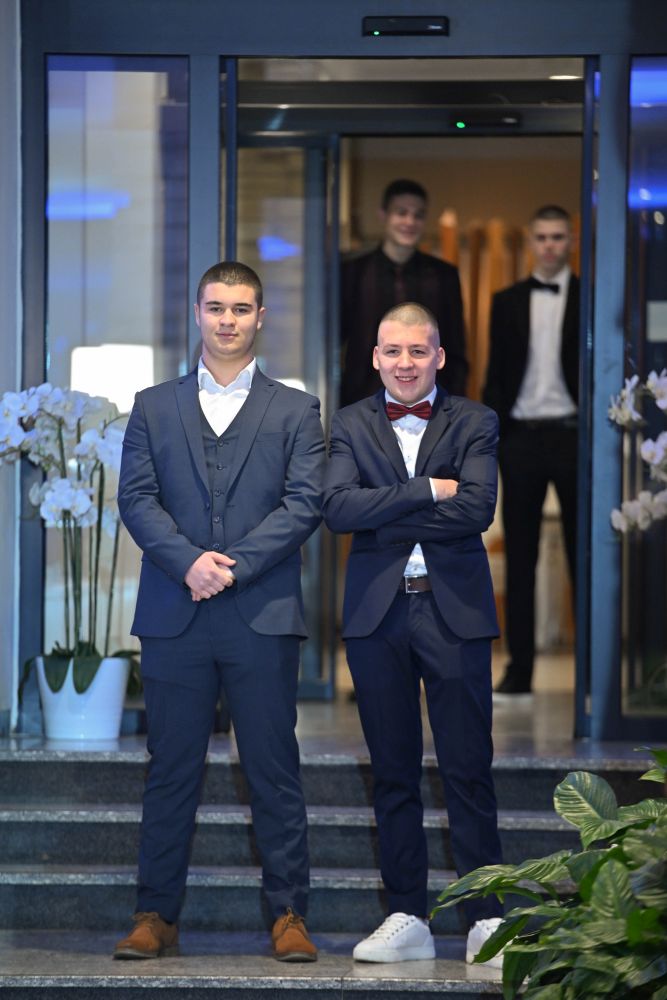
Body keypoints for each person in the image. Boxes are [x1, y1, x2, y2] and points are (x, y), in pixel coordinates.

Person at [114, 261, 325, 962]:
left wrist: (231, 565)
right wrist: (188, 563)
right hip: (174, 612)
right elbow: (136, 498)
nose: (227, 320)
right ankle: (155, 914)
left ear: (260, 316)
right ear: (198, 313)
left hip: (261, 612)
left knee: (273, 767)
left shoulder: (297, 409)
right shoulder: (152, 405)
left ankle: (289, 914)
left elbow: (304, 503)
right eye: (215, 307)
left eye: (240, 308)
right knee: (170, 769)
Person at [323, 302, 504, 966]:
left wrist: (382, 512)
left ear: (439, 357)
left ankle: (486, 917)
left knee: (467, 768)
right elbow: (337, 509)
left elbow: (477, 510)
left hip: (453, 612)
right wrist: (427, 489)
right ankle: (407, 915)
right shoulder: (348, 423)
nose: (405, 363)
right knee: (393, 772)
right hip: (378, 615)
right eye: (393, 351)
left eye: (418, 351)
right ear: (375, 357)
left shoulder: (475, 420)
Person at [483, 205, 579, 696]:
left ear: (571, 240)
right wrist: (493, 435)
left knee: (583, 553)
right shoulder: (506, 301)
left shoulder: (589, 296)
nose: (549, 245)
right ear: (530, 241)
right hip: (520, 437)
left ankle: (590, 675)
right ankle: (519, 670)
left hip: (573, 434)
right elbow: (495, 372)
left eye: (557, 236)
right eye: (541, 237)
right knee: (521, 557)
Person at [340, 178, 468, 406]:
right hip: (363, 402)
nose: (410, 221)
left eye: (418, 215)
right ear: (383, 215)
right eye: (401, 213)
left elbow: (456, 348)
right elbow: (335, 344)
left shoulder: (444, 276)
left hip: (433, 403)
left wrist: (453, 407)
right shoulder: (352, 273)